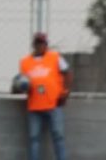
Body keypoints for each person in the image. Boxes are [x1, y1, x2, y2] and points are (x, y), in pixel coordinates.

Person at [17, 32, 72, 160]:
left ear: (46, 44)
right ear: (33, 44)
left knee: (58, 136)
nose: (40, 45)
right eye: (38, 42)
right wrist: (18, 88)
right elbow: (22, 83)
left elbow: (68, 73)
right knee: (33, 138)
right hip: (34, 106)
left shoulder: (55, 57)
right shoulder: (25, 62)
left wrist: (65, 91)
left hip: (54, 104)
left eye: (42, 43)